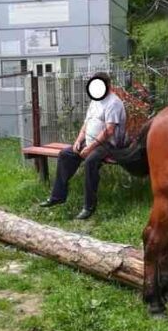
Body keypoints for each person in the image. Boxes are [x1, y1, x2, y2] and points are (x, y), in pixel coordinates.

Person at [39, 72, 126, 220]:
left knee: (90, 162)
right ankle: (58, 196)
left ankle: (88, 207)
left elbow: (109, 130)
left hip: (108, 145)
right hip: (90, 141)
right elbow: (86, 124)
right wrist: (78, 141)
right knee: (66, 154)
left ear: (108, 85)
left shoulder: (114, 102)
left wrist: (90, 148)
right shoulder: (95, 101)